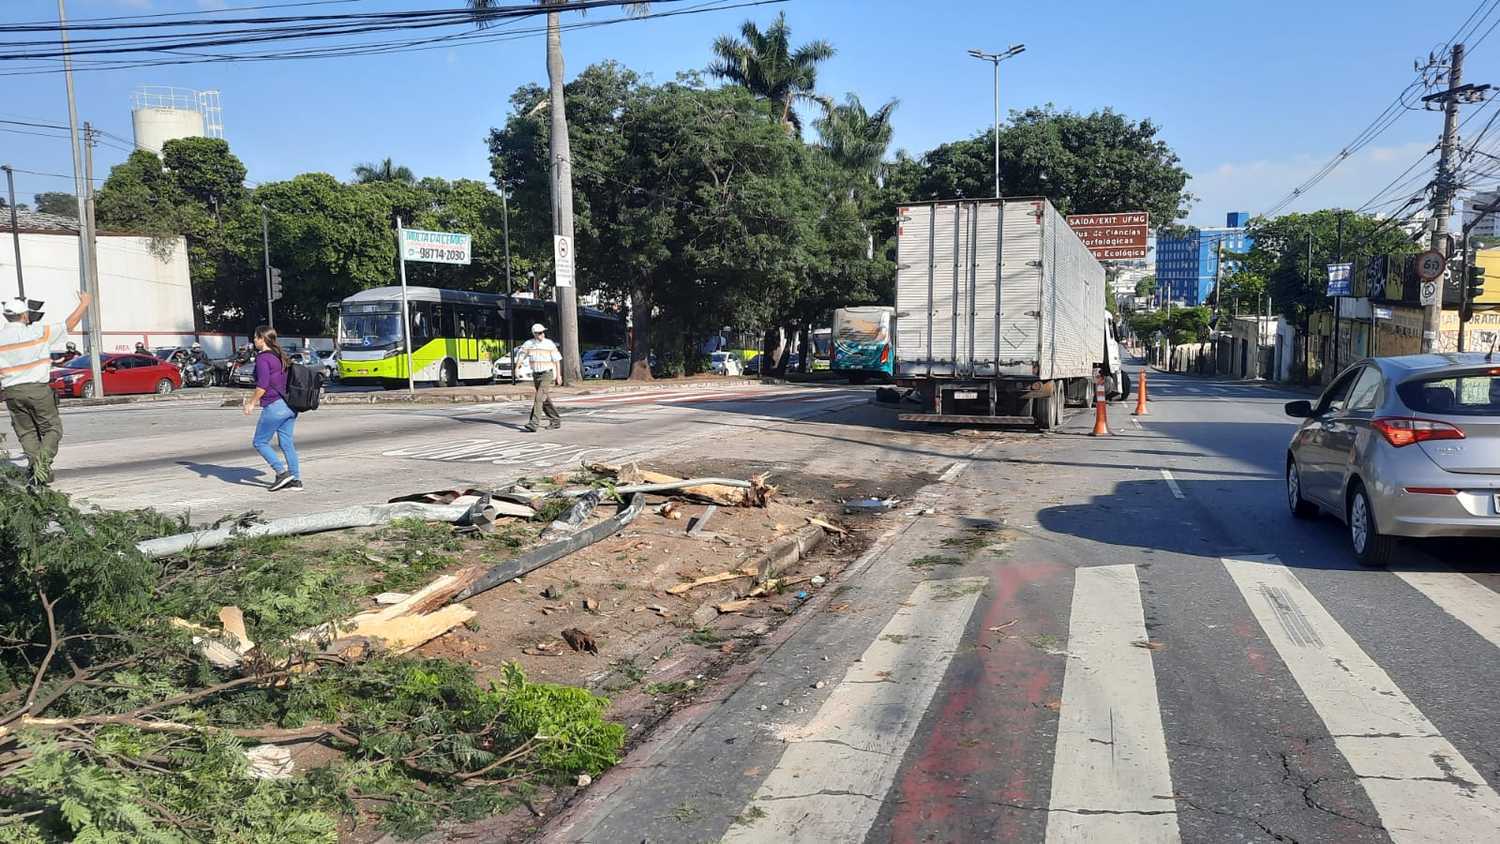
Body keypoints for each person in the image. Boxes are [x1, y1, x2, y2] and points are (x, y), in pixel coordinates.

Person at [0, 293, 92, 486]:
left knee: (26, 433)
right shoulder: (38, 332)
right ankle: (42, 464)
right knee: (52, 429)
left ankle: (39, 471)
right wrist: (84, 303)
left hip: (12, 393)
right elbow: (70, 324)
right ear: (25, 316)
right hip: (38, 390)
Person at [242, 325, 302, 492]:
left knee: (260, 442)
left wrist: (252, 402)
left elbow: (263, 384)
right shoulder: (280, 356)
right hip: (290, 405)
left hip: (275, 406)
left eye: (255, 337)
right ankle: (295, 480)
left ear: (262, 338)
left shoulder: (263, 358)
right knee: (287, 443)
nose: (254, 340)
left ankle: (281, 472)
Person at [517, 322, 562, 432]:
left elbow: (557, 361)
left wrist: (559, 375)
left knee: (539, 397)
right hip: (536, 375)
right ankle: (555, 420)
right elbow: (522, 356)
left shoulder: (549, 344)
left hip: (547, 374)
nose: (542, 334)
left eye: (543, 332)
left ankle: (534, 423)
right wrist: (516, 368)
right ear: (534, 334)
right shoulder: (529, 344)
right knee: (543, 398)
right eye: (539, 333)